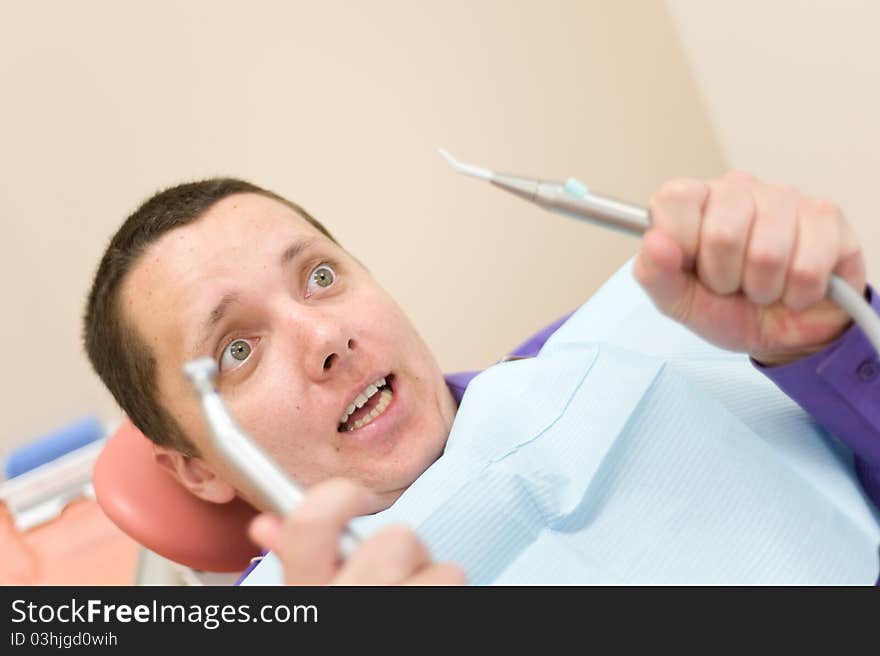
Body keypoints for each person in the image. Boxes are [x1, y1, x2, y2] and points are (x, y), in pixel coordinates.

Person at [83, 172, 879, 585]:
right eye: (236, 351)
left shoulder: (641, 339)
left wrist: (834, 346)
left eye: (320, 277)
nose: (325, 338)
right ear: (193, 466)